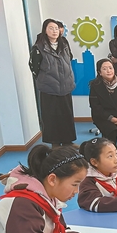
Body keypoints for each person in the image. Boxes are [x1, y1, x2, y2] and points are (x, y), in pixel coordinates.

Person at [29, 19, 76, 147]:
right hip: (49, 88)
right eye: (51, 28)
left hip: (65, 85)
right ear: (45, 30)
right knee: (51, 117)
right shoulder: (38, 47)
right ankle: (55, 143)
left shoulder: (64, 43)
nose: (54, 31)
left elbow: (70, 57)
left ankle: (68, 142)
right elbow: (34, 67)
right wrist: (45, 80)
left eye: (56, 28)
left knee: (66, 115)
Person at [89, 59, 117, 158]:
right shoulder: (95, 86)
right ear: (100, 72)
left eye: (110, 68)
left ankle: (115, 154)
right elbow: (95, 107)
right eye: (105, 69)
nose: (108, 71)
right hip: (103, 117)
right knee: (112, 131)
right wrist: (110, 118)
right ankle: (109, 156)